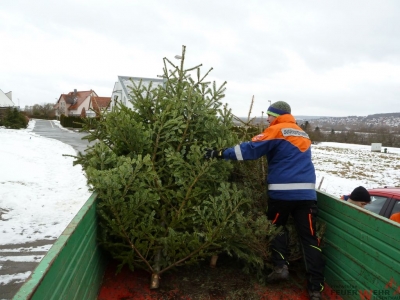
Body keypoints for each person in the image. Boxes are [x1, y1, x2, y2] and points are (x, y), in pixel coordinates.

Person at [204, 101, 324, 300]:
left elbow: (249, 150)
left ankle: (280, 267)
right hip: (307, 196)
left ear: (276, 115)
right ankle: (316, 289)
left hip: (282, 194)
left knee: (276, 227)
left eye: (269, 115)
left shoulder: (277, 130)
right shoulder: (303, 134)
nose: (267, 119)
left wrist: (220, 153)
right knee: (310, 240)